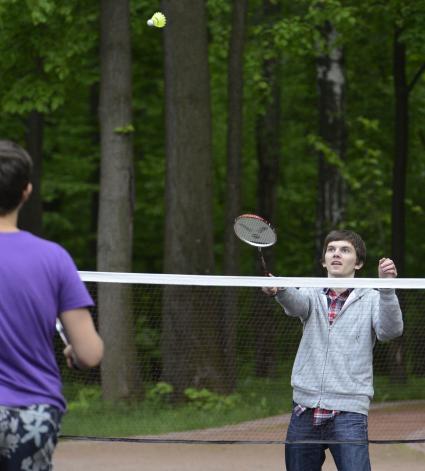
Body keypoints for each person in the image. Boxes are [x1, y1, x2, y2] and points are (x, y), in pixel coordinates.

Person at [0, 140, 104, 470]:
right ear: (26, 191)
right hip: (33, 415)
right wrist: (75, 352)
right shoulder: (54, 258)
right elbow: (89, 353)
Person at [263, 229, 403, 471]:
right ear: (324, 260)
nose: (336, 254)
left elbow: (389, 331)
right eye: (331, 250)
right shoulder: (311, 293)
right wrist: (280, 290)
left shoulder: (371, 298)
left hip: (348, 412)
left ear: (357, 263)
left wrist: (387, 289)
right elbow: (295, 304)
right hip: (304, 409)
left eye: (345, 250)